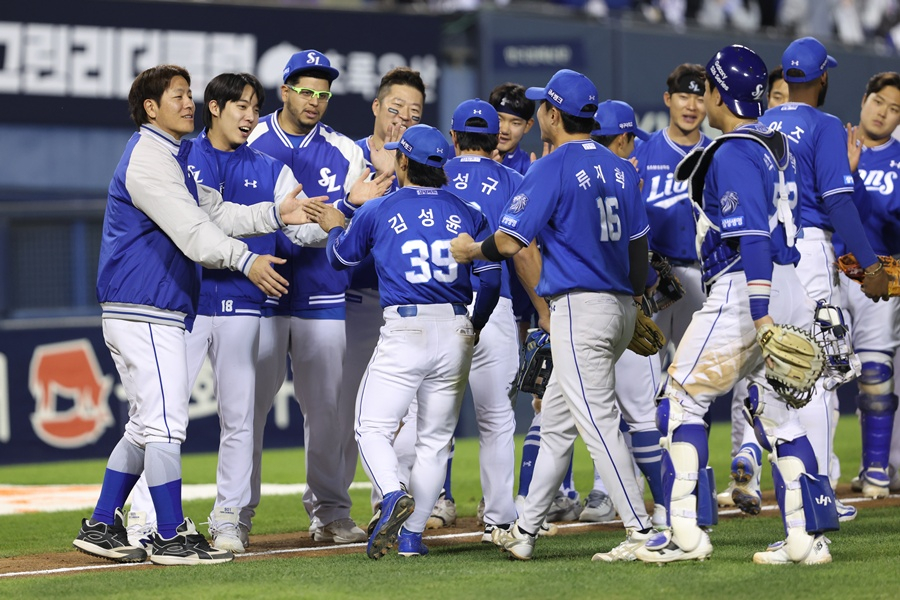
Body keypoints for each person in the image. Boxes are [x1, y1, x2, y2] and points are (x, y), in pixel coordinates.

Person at [72, 64, 316, 566]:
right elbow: (193, 233)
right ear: (151, 108)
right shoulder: (148, 159)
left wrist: (274, 215)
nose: (188, 102)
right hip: (144, 308)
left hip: (149, 307)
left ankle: (101, 524)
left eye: (188, 95)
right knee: (164, 423)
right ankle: (168, 535)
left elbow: (216, 213)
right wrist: (247, 260)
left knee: (145, 426)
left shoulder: (172, 154)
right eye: (179, 96)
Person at [633, 44, 837, 565]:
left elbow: (750, 238)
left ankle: (683, 535)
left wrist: (764, 316)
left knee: (679, 398)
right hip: (785, 282)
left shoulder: (734, 152)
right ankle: (803, 539)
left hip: (747, 289)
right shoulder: (767, 145)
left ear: (719, 93)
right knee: (783, 416)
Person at [451, 68, 656, 562]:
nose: (540, 112)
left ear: (554, 114)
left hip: (579, 311)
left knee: (598, 423)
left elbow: (509, 241)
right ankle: (524, 529)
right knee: (559, 424)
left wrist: (470, 250)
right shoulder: (622, 168)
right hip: (619, 306)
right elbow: (639, 253)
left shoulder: (553, 165)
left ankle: (643, 531)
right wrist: (631, 305)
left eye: (543, 106)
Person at [304, 124, 501, 559]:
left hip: (405, 327)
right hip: (455, 327)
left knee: (370, 427)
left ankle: (392, 494)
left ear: (405, 162)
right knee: (434, 442)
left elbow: (340, 260)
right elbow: (491, 278)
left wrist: (339, 224)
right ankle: (411, 538)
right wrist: (476, 325)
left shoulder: (379, 208)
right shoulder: (468, 211)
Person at [246, 49, 391, 544]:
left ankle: (330, 511)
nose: (315, 100)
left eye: (323, 94)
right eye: (306, 91)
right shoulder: (253, 139)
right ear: (284, 90)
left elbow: (350, 223)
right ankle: (235, 518)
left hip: (323, 293)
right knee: (249, 408)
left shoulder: (346, 151)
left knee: (328, 409)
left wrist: (347, 210)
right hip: (258, 293)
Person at [751, 36, 890, 522]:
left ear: (787, 79)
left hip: (763, 252)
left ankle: (789, 489)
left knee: (778, 375)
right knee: (819, 375)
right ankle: (820, 494)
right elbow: (838, 201)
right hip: (808, 249)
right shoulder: (827, 125)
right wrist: (870, 265)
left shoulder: (759, 125)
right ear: (823, 77)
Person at [440, 98, 523, 540]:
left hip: (441, 306)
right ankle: (500, 517)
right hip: (498, 305)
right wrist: (544, 311)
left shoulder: (431, 176)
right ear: (496, 143)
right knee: (496, 419)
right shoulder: (513, 179)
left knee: (432, 419)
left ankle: (420, 515)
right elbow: (527, 249)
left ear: (453, 138)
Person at [837, 72, 900, 499]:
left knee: (876, 372)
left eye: (896, 109)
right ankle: (815, 470)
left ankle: (876, 470)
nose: (884, 113)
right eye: (879, 101)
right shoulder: (833, 145)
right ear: (863, 100)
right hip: (830, 271)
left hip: (884, 273)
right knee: (813, 372)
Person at [632, 64, 711, 357]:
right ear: (668, 100)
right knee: (642, 380)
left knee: (698, 378)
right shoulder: (642, 150)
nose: (691, 106)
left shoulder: (717, 154)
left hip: (701, 275)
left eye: (700, 98)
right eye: (683, 97)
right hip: (652, 279)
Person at [489, 82, 536, 176]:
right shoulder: (457, 155)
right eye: (499, 119)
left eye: (515, 123)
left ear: (528, 125)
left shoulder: (529, 170)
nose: (505, 130)